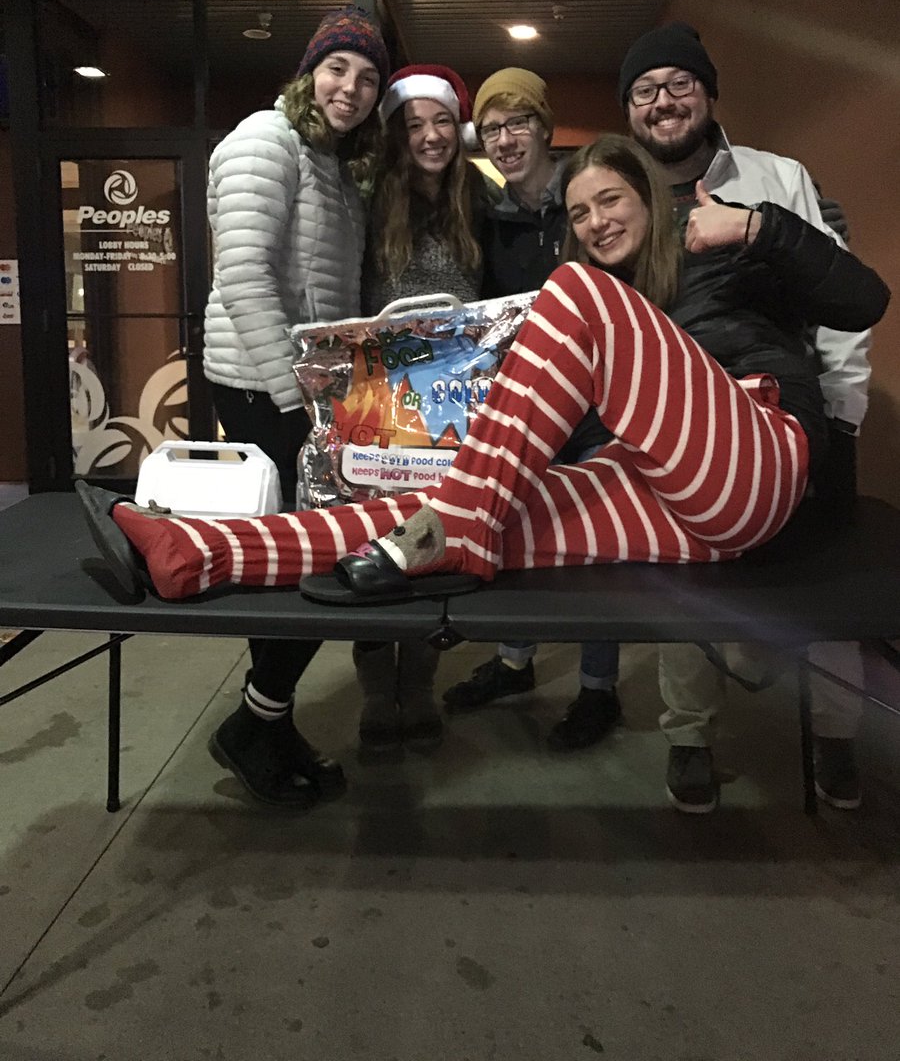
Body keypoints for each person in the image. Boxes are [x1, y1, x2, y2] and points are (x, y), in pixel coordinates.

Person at [78, 130, 889, 739]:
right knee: (453, 501)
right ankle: (200, 552)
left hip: (760, 451)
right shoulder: (616, 305)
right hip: (671, 502)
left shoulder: (720, 255)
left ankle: (457, 528)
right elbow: (552, 416)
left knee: (562, 306)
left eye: (610, 199)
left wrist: (756, 230)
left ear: (648, 195)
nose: (597, 221)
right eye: (579, 213)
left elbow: (864, 300)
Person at [617, 21, 874, 811]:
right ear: (631, 110)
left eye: (679, 84)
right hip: (678, 430)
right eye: (645, 90)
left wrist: (845, 406)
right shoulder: (619, 199)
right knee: (691, 589)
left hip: (796, 418)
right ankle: (689, 737)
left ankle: (836, 735)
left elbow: (841, 297)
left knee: (828, 587)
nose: (664, 103)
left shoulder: (779, 177)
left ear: (709, 93)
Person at [201, 5, 389, 807]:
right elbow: (243, 278)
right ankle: (255, 724)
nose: (352, 86)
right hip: (261, 386)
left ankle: (264, 721)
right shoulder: (263, 141)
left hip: (309, 392)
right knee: (309, 563)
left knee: (307, 561)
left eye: (368, 76)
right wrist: (298, 401)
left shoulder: (334, 165)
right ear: (310, 71)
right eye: (339, 67)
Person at [442, 67, 623, 751]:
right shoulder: (489, 214)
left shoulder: (588, 195)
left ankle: (599, 688)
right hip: (526, 403)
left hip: (599, 406)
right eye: (492, 127)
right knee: (515, 532)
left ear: (546, 127)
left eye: (519, 122)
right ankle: (515, 660)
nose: (506, 137)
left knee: (598, 548)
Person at [352, 64, 490, 757]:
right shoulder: (374, 201)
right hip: (380, 399)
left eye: (441, 122)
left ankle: (423, 687)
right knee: (374, 536)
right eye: (415, 125)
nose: (430, 136)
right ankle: (380, 695)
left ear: (458, 131)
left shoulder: (479, 200)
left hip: (458, 405)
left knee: (433, 540)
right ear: (399, 137)